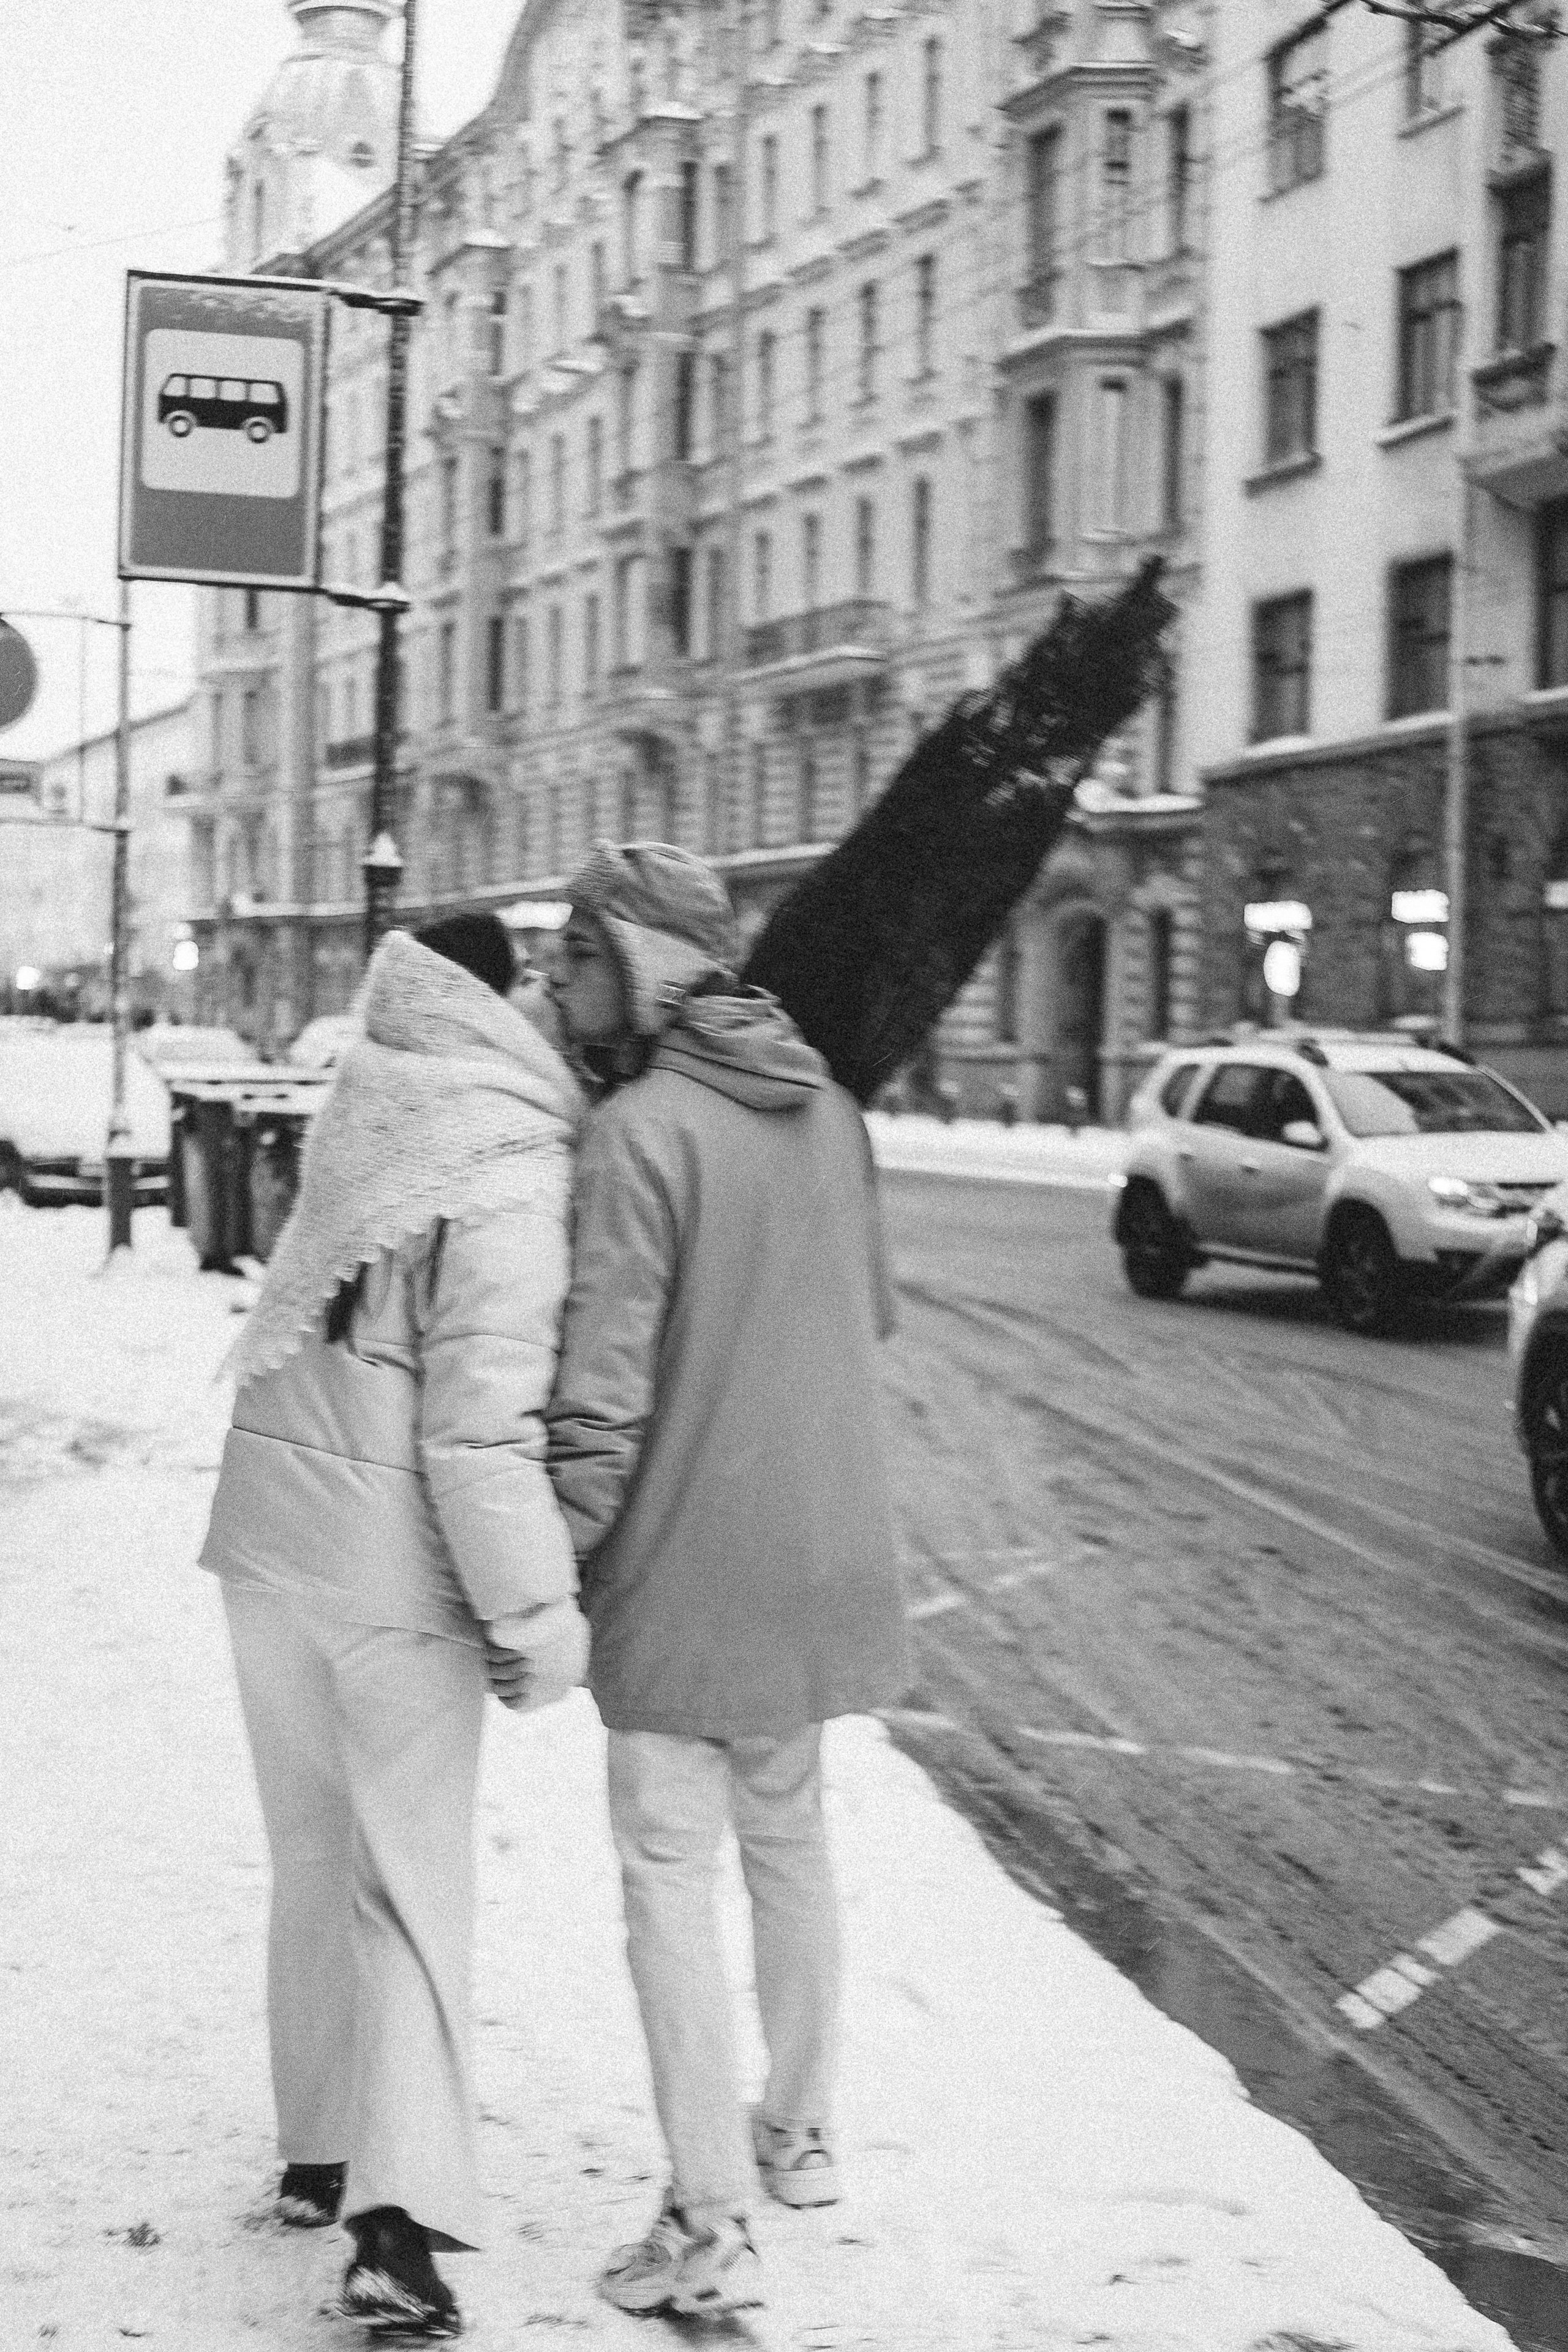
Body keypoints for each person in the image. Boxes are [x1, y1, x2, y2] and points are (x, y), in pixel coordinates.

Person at [201, 913, 588, 2339]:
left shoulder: (368, 1096)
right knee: (409, 1891)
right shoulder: (507, 1160)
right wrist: (535, 1612)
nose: (554, 999)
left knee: (311, 1857)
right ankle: (396, 2223)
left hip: (269, 1538)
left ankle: (316, 2147)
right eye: (538, 982)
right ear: (496, 1008)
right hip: (386, 1570)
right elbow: (481, 1428)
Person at [545, 843, 911, 2320]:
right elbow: (862, 1320)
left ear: (636, 961)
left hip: (683, 1569)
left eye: (573, 959)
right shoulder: (828, 1111)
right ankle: (797, 2132)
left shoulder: (636, 1136)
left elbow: (600, 1399)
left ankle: (704, 2223)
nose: (557, 989)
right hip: (820, 1557)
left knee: (666, 1885)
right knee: (793, 1847)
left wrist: (546, 1565)